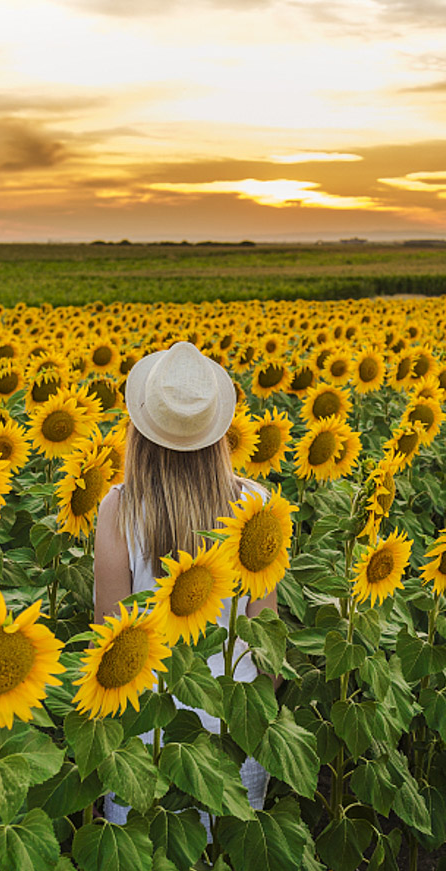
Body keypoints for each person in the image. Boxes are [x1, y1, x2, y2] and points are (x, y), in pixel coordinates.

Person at [92, 340, 274, 825]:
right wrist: (260, 712)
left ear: (140, 430)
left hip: (147, 729)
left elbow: (112, 641)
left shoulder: (119, 510)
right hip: (236, 723)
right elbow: (266, 640)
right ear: (217, 433)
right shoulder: (256, 506)